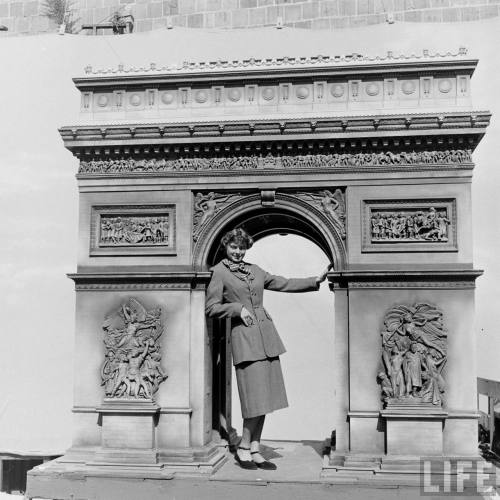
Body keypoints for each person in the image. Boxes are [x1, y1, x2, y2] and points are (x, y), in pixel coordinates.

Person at [205, 228, 331, 470]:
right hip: (244, 339)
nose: (238, 252)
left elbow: (282, 282)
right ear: (225, 247)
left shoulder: (255, 270)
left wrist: (315, 280)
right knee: (253, 398)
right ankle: (243, 447)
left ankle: (254, 447)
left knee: (265, 398)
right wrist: (236, 309)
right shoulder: (219, 273)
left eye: (242, 248)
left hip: (267, 339)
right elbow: (211, 307)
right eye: (234, 247)